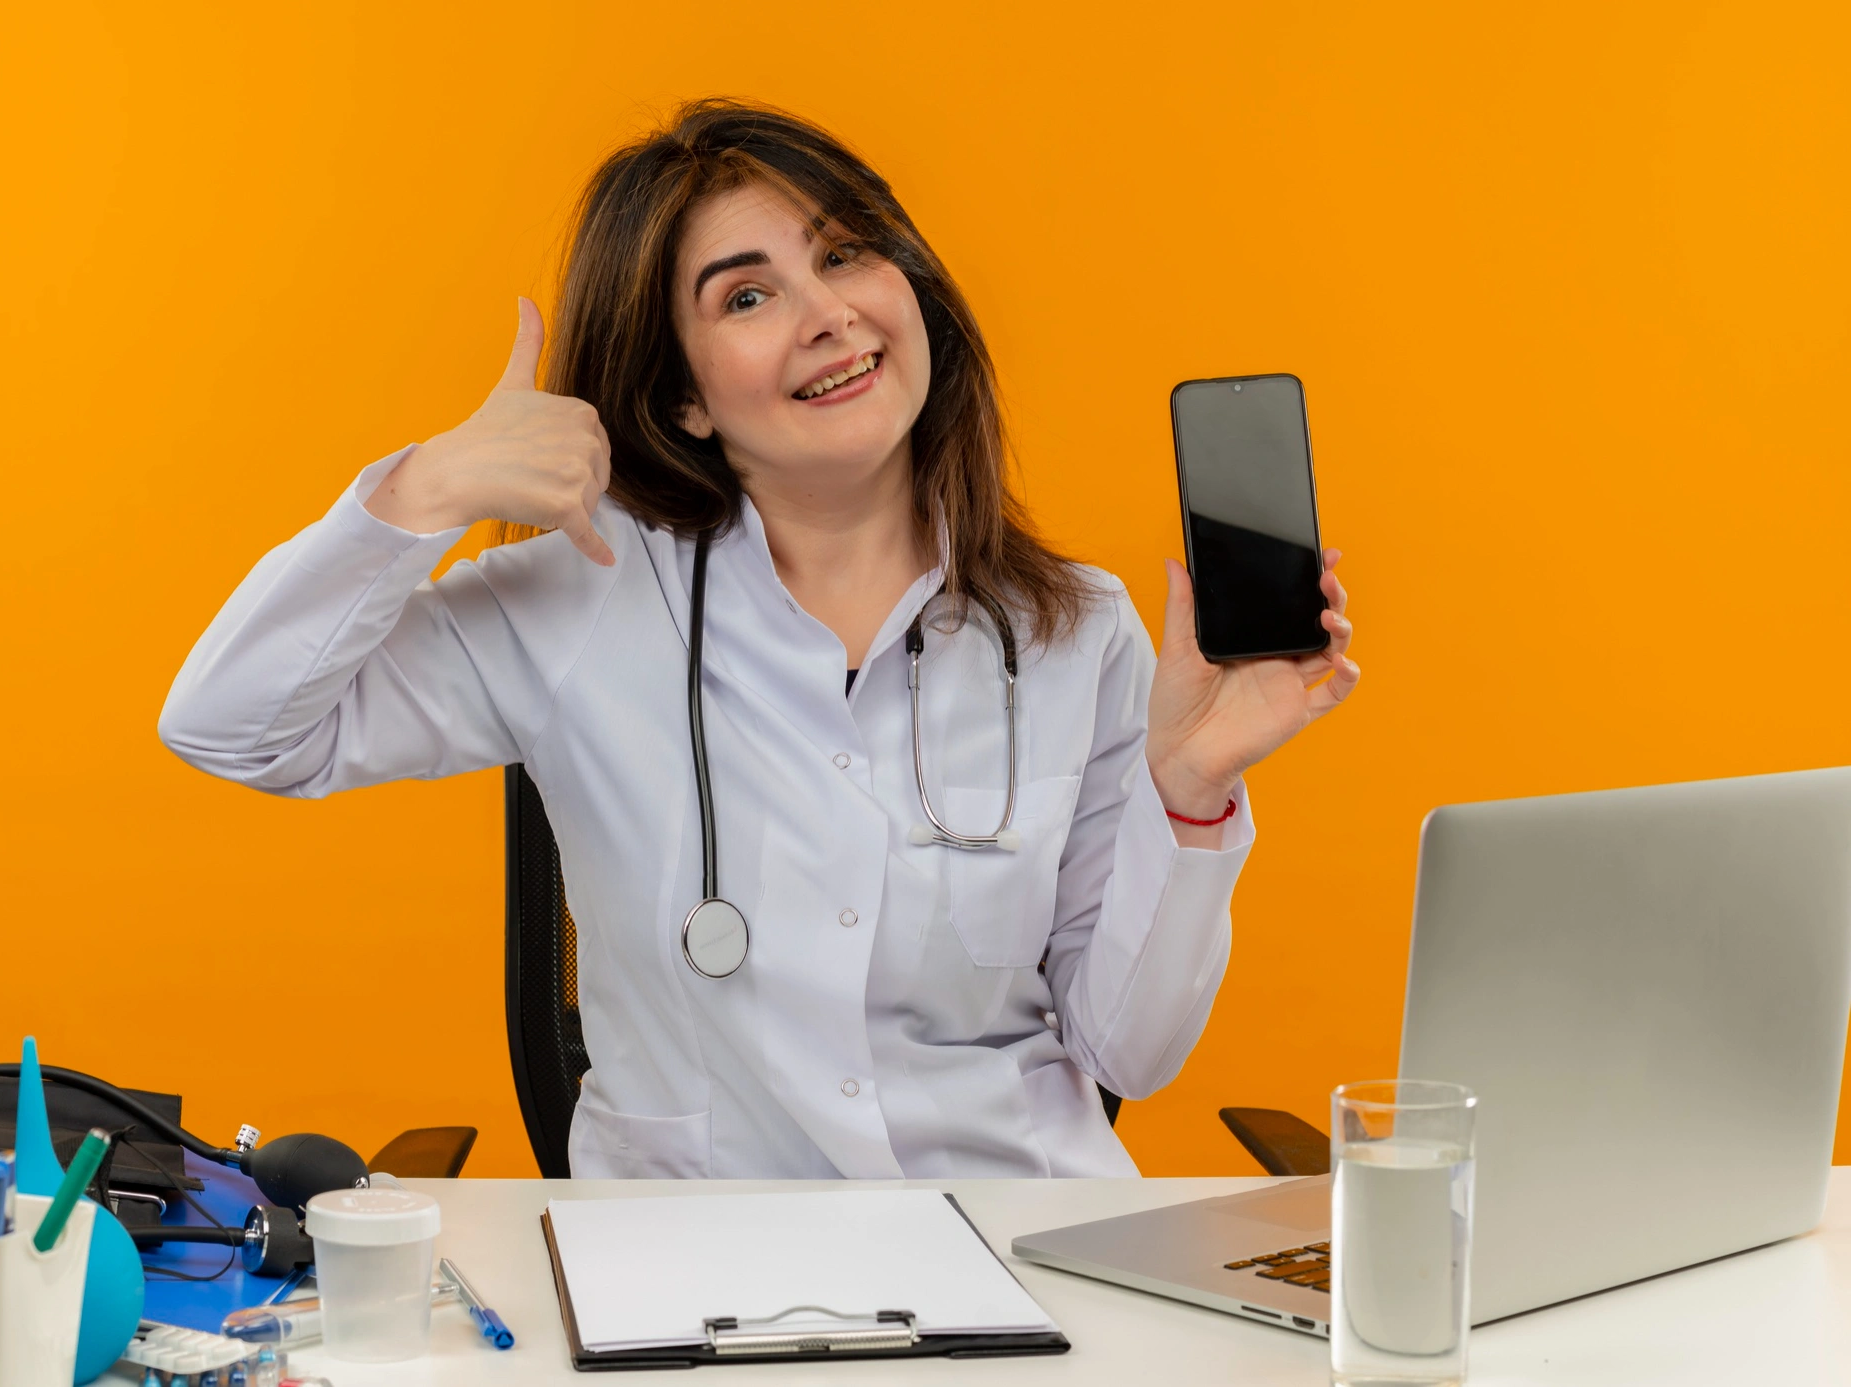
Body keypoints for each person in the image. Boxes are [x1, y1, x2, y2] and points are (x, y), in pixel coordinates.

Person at [159, 99, 1358, 1178]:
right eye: (746, 294)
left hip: (1017, 1259)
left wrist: (1191, 789)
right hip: (699, 1286)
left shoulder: (1074, 629)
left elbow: (1128, 1054)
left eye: (843, 254)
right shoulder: (576, 601)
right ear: (682, 394)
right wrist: (418, 493)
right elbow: (230, 726)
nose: (828, 315)